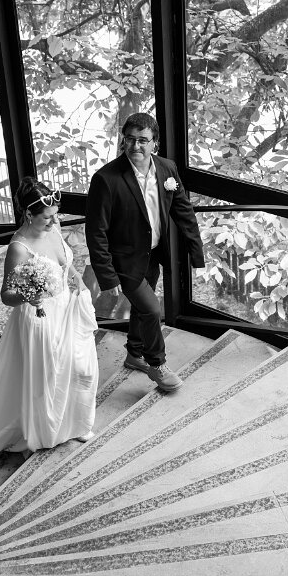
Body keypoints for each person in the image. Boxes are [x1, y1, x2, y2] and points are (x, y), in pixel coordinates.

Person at [0, 177, 98, 468]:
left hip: (67, 309)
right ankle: (46, 432)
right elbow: (6, 295)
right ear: (29, 214)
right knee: (48, 376)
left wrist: (76, 277)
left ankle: (74, 423)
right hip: (40, 317)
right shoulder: (19, 248)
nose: (54, 222)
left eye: (55, 215)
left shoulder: (54, 228)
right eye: (47, 217)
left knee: (79, 366)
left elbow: (64, 263)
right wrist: (28, 295)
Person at [85, 113, 205, 392]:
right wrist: (107, 276)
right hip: (124, 260)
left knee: (142, 309)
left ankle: (134, 353)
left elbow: (183, 211)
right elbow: (96, 232)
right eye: (130, 139)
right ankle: (157, 364)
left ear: (155, 143)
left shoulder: (167, 168)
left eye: (142, 140)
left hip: (153, 255)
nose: (135, 146)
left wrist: (196, 253)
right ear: (123, 140)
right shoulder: (106, 179)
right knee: (151, 309)